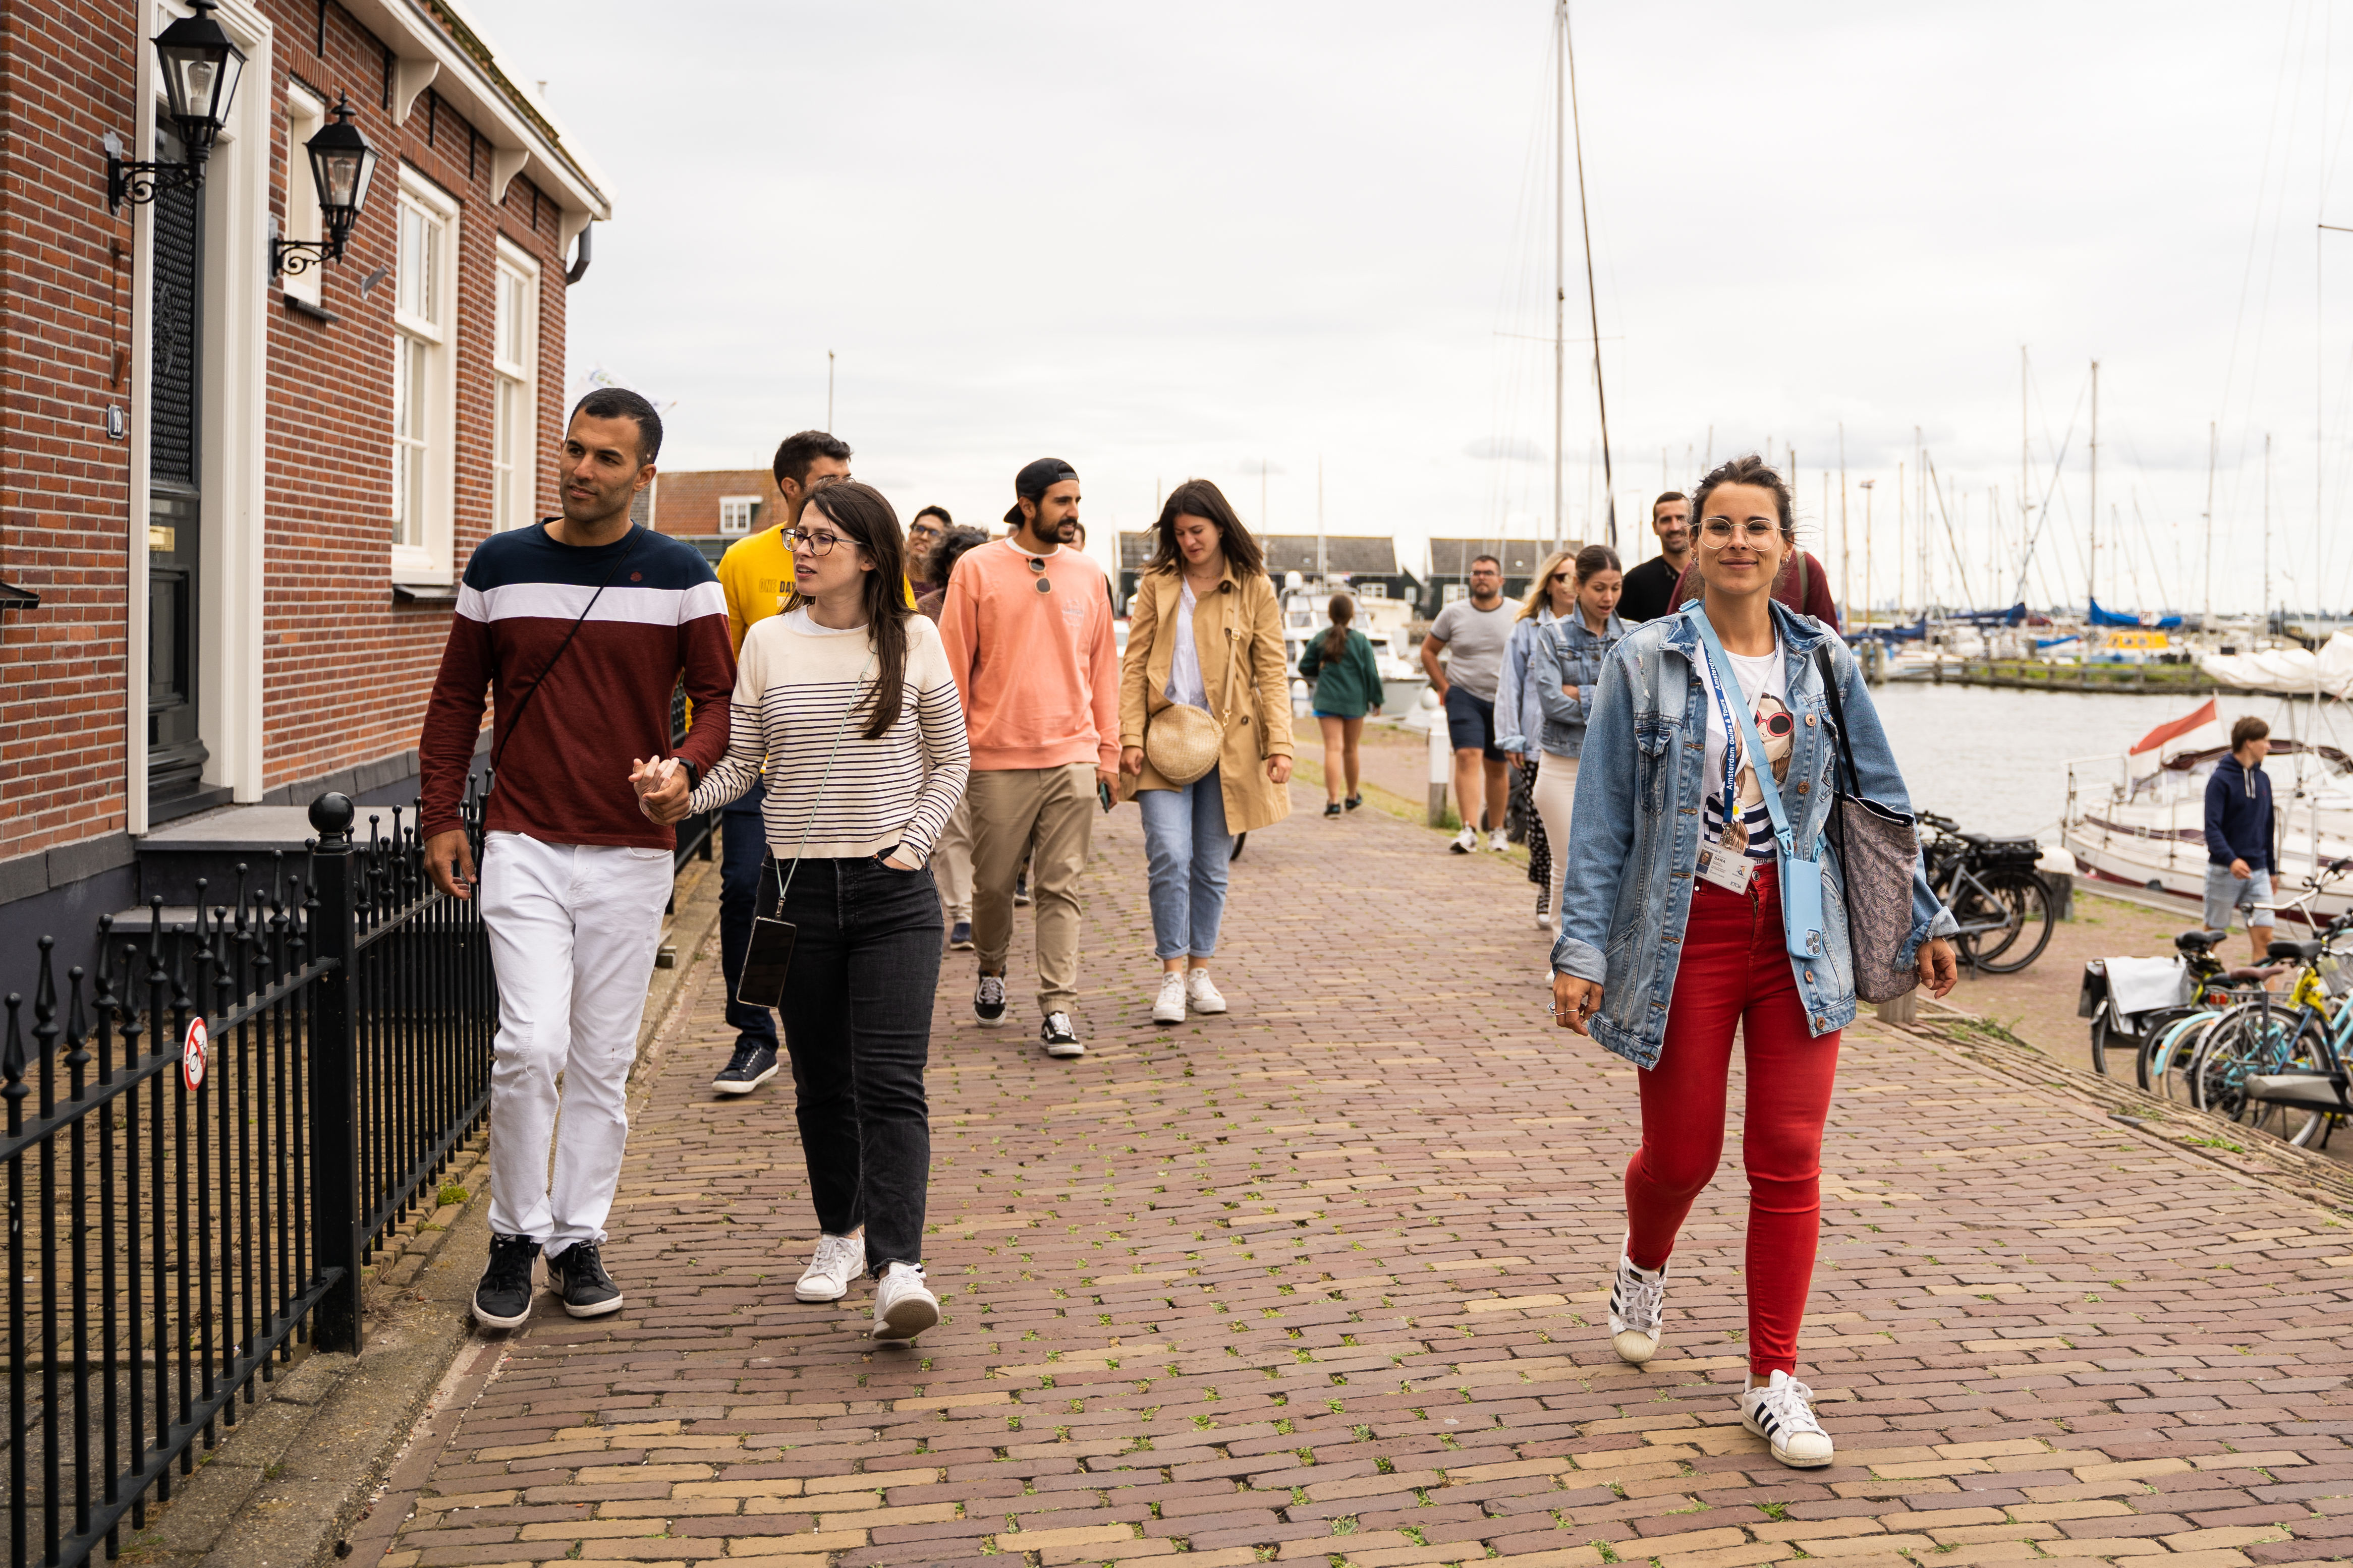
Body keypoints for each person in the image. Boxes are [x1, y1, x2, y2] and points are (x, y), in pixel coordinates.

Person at [1549, 453, 1959, 1470]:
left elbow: (1875, 805)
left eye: (1756, 528)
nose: (1737, 542)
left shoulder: (1825, 662)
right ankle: (1644, 1259)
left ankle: (1773, 1377)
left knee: (1786, 1153)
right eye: (1718, 526)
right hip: (1683, 933)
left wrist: (1924, 919)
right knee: (1683, 1155)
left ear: (1787, 547)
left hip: (1798, 935)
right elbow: (1602, 820)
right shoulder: (1644, 660)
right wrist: (1582, 946)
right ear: (1693, 546)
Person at [418, 388, 736, 1330]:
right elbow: (451, 699)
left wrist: (683, 766)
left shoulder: (682, 574)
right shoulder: (500, 563)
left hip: (632, 849)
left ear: (645, 475)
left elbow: (718, 701)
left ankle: (576, 1235)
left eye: (605, 458)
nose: (580, 469)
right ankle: (514, 1233)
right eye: (572, 449)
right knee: (529, 1044)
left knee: (599, 1059)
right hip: (521, 837)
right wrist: (443, 813)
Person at [654, 481, 968, 1341]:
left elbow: (951, 759)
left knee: (889, 1080)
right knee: (821, 1081)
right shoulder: (764, 642)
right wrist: (677, 795)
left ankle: (898, 1264)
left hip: (891, 895)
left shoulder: (914, 638)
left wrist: (914, 842)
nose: (801, 549)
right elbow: (742, 765)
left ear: (869, 553)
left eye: (822, 538)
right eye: (799, 535)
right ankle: (839, 1232)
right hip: (793, 897)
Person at [939, 458, 1120, 1058]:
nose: (1072, 513)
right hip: (995, 757)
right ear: (1026, 502)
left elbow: (1103, 672)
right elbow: (952, 666)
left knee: (1059, 885)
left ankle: (1058, 1006)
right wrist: (949, 755)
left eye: (1076, 500)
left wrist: (1108, 751)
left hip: (1072, 753)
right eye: (1062, 501)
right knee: (992, 886)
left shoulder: (1090, 575)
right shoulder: (976, 568)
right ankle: (991, 968)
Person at [709, 430, 854, 1096]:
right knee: (747, 889)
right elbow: (720, 669)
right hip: (758, 763)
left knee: (824, 896)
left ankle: (832, 1026)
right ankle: (756, 1033)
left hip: (838, 766)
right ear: (791, 489)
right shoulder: (741, 561)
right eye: (830, 479)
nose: (844, 487)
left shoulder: (864, 554)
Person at [1117, 480, 1294, 1024]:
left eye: (1196, 530)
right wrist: (1127, 735)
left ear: (1220, 526)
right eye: (1179, 533)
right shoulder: (1158, 584)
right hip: (1162, 739)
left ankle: (1199, 968)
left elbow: (1271, 669)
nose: (1188, 541)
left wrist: (1280, 742)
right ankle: (1170, 974)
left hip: (1229, 744)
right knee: (1169, 854)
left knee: (1212, 865)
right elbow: (1134, 661)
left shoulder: (1254, 587)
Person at [1495, 548, 1577, 927]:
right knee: (1540, 822)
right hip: (1534, 740)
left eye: (1578, 577)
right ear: (1550, 583)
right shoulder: (1527, 628)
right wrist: (1510, 737)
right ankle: (1546, 886)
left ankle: (1562, 894)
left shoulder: (1589, 627)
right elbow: (1509, 685)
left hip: (1577, 738)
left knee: (1572, 824)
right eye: (1563, 577)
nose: (1571, 584)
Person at [917, 525, 990, 949]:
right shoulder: (926, 611)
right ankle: (963, 913)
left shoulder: (1000, 604)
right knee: (954, 826)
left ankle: (986, 903)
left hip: (994, 731)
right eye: (958, 558)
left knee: (993, 829)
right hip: (942, 732)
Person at [1421, 555, 1515, 853]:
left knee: (1497, 766)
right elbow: (1428, 651)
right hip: (1463, 694)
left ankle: (1497, 831)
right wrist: (1445, 688)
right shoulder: (1452, 613)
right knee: (1467, 755)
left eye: (1488, 573)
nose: (1481, 578)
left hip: (1503, 697)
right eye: (1476, 573)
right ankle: (1468, 829)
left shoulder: (1518, 612)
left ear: (1501, 580)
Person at [1296, 593, 1382, 817]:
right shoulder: (1361, 640)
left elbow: (1305, 667)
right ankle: (1352, 797)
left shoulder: (1320, 638)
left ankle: (1333, 801)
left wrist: (1322, 670)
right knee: (1351, 749)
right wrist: (1377, 699)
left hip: (1327, 699)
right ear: (1352, 615)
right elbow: (1371, 673)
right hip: (1354, 701)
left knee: (1333, 748)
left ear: (1330, 615)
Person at [2204, 716, 2276, 965]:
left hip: (2258, 872)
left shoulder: (2264, 779)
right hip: (2225, 870)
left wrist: (2272, 870)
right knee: (2212, 938)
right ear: (2249, 743)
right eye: (2264, 741)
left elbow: (2268, 828)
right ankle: (2196, 991)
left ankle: (2264, 1003)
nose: (2269, 746)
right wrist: (2232, 860)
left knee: (2265, 939)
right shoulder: (2220, 780)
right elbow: (2211, 829)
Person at [1615, 492, 1692, 624]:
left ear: (1693, 523)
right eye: (1666, 520)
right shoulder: (1635, 581)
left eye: (1681, 518)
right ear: (1655, 527)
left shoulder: (1710, 576)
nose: (1675, 527)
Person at [908, 505, 951, 598]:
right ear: (910, 534)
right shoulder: (889, 577)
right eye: (920, 529)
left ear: (945, 543)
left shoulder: (947, 590)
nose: (924, 537)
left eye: (934, 533)